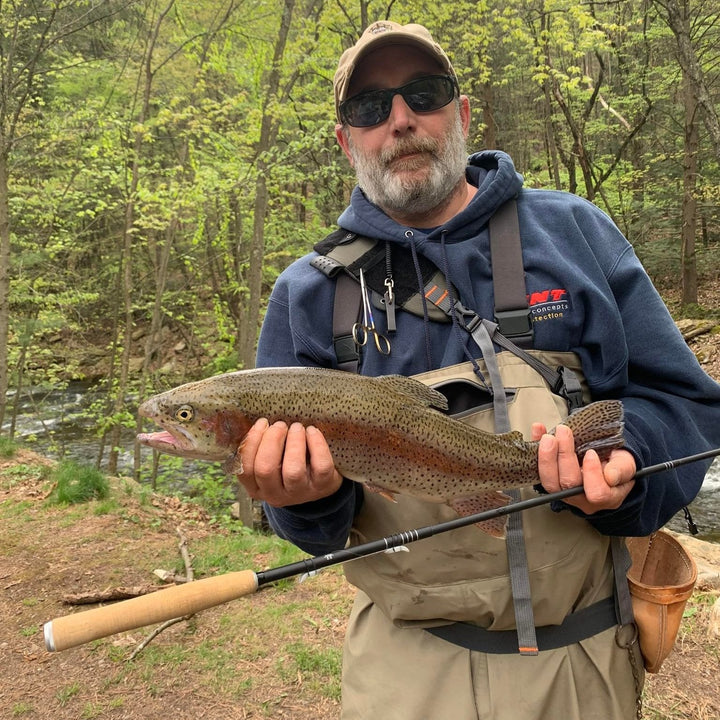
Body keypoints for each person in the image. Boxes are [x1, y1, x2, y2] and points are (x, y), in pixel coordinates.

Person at [236, 20, 720, 720]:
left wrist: (628, 460)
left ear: (461, 113)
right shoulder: (308, 295)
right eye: (370, 107)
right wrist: (303, 500)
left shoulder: (574, 234)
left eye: (423, 93)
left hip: (582, 662)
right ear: (346, 141)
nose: (401, 119)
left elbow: (682, 403)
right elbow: (312, 535)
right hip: (403, 670)